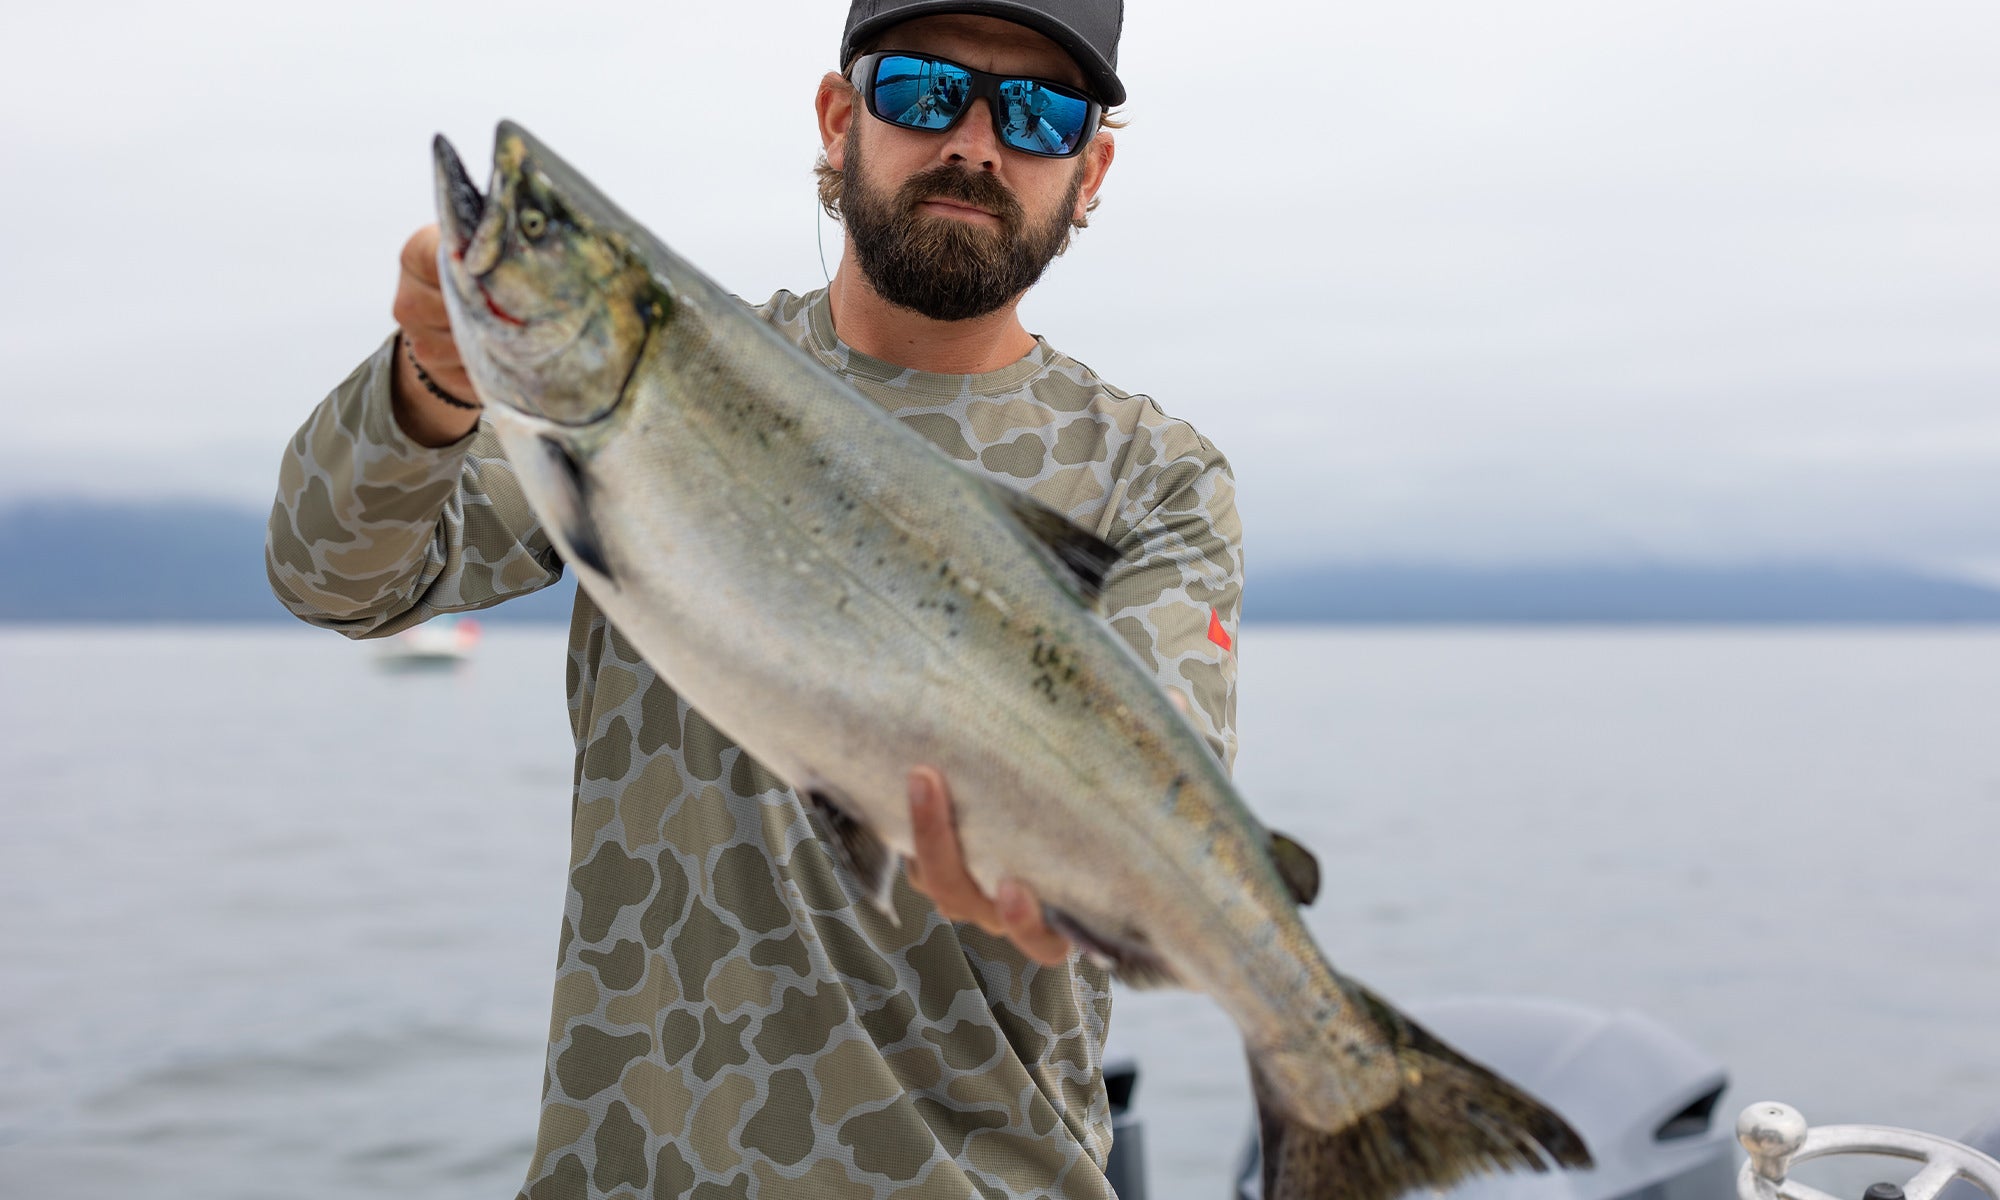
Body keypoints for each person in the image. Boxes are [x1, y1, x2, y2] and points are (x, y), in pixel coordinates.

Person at [265, 1, 1243, 1196]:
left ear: (1088, 173)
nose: (977, 145)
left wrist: (1081, 868)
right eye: (923, 92)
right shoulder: (649, 385)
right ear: (839, 121)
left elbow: (1172, 784)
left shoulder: (1154, 478)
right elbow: (332, 575)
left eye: (1038, 112)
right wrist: (427, 381)